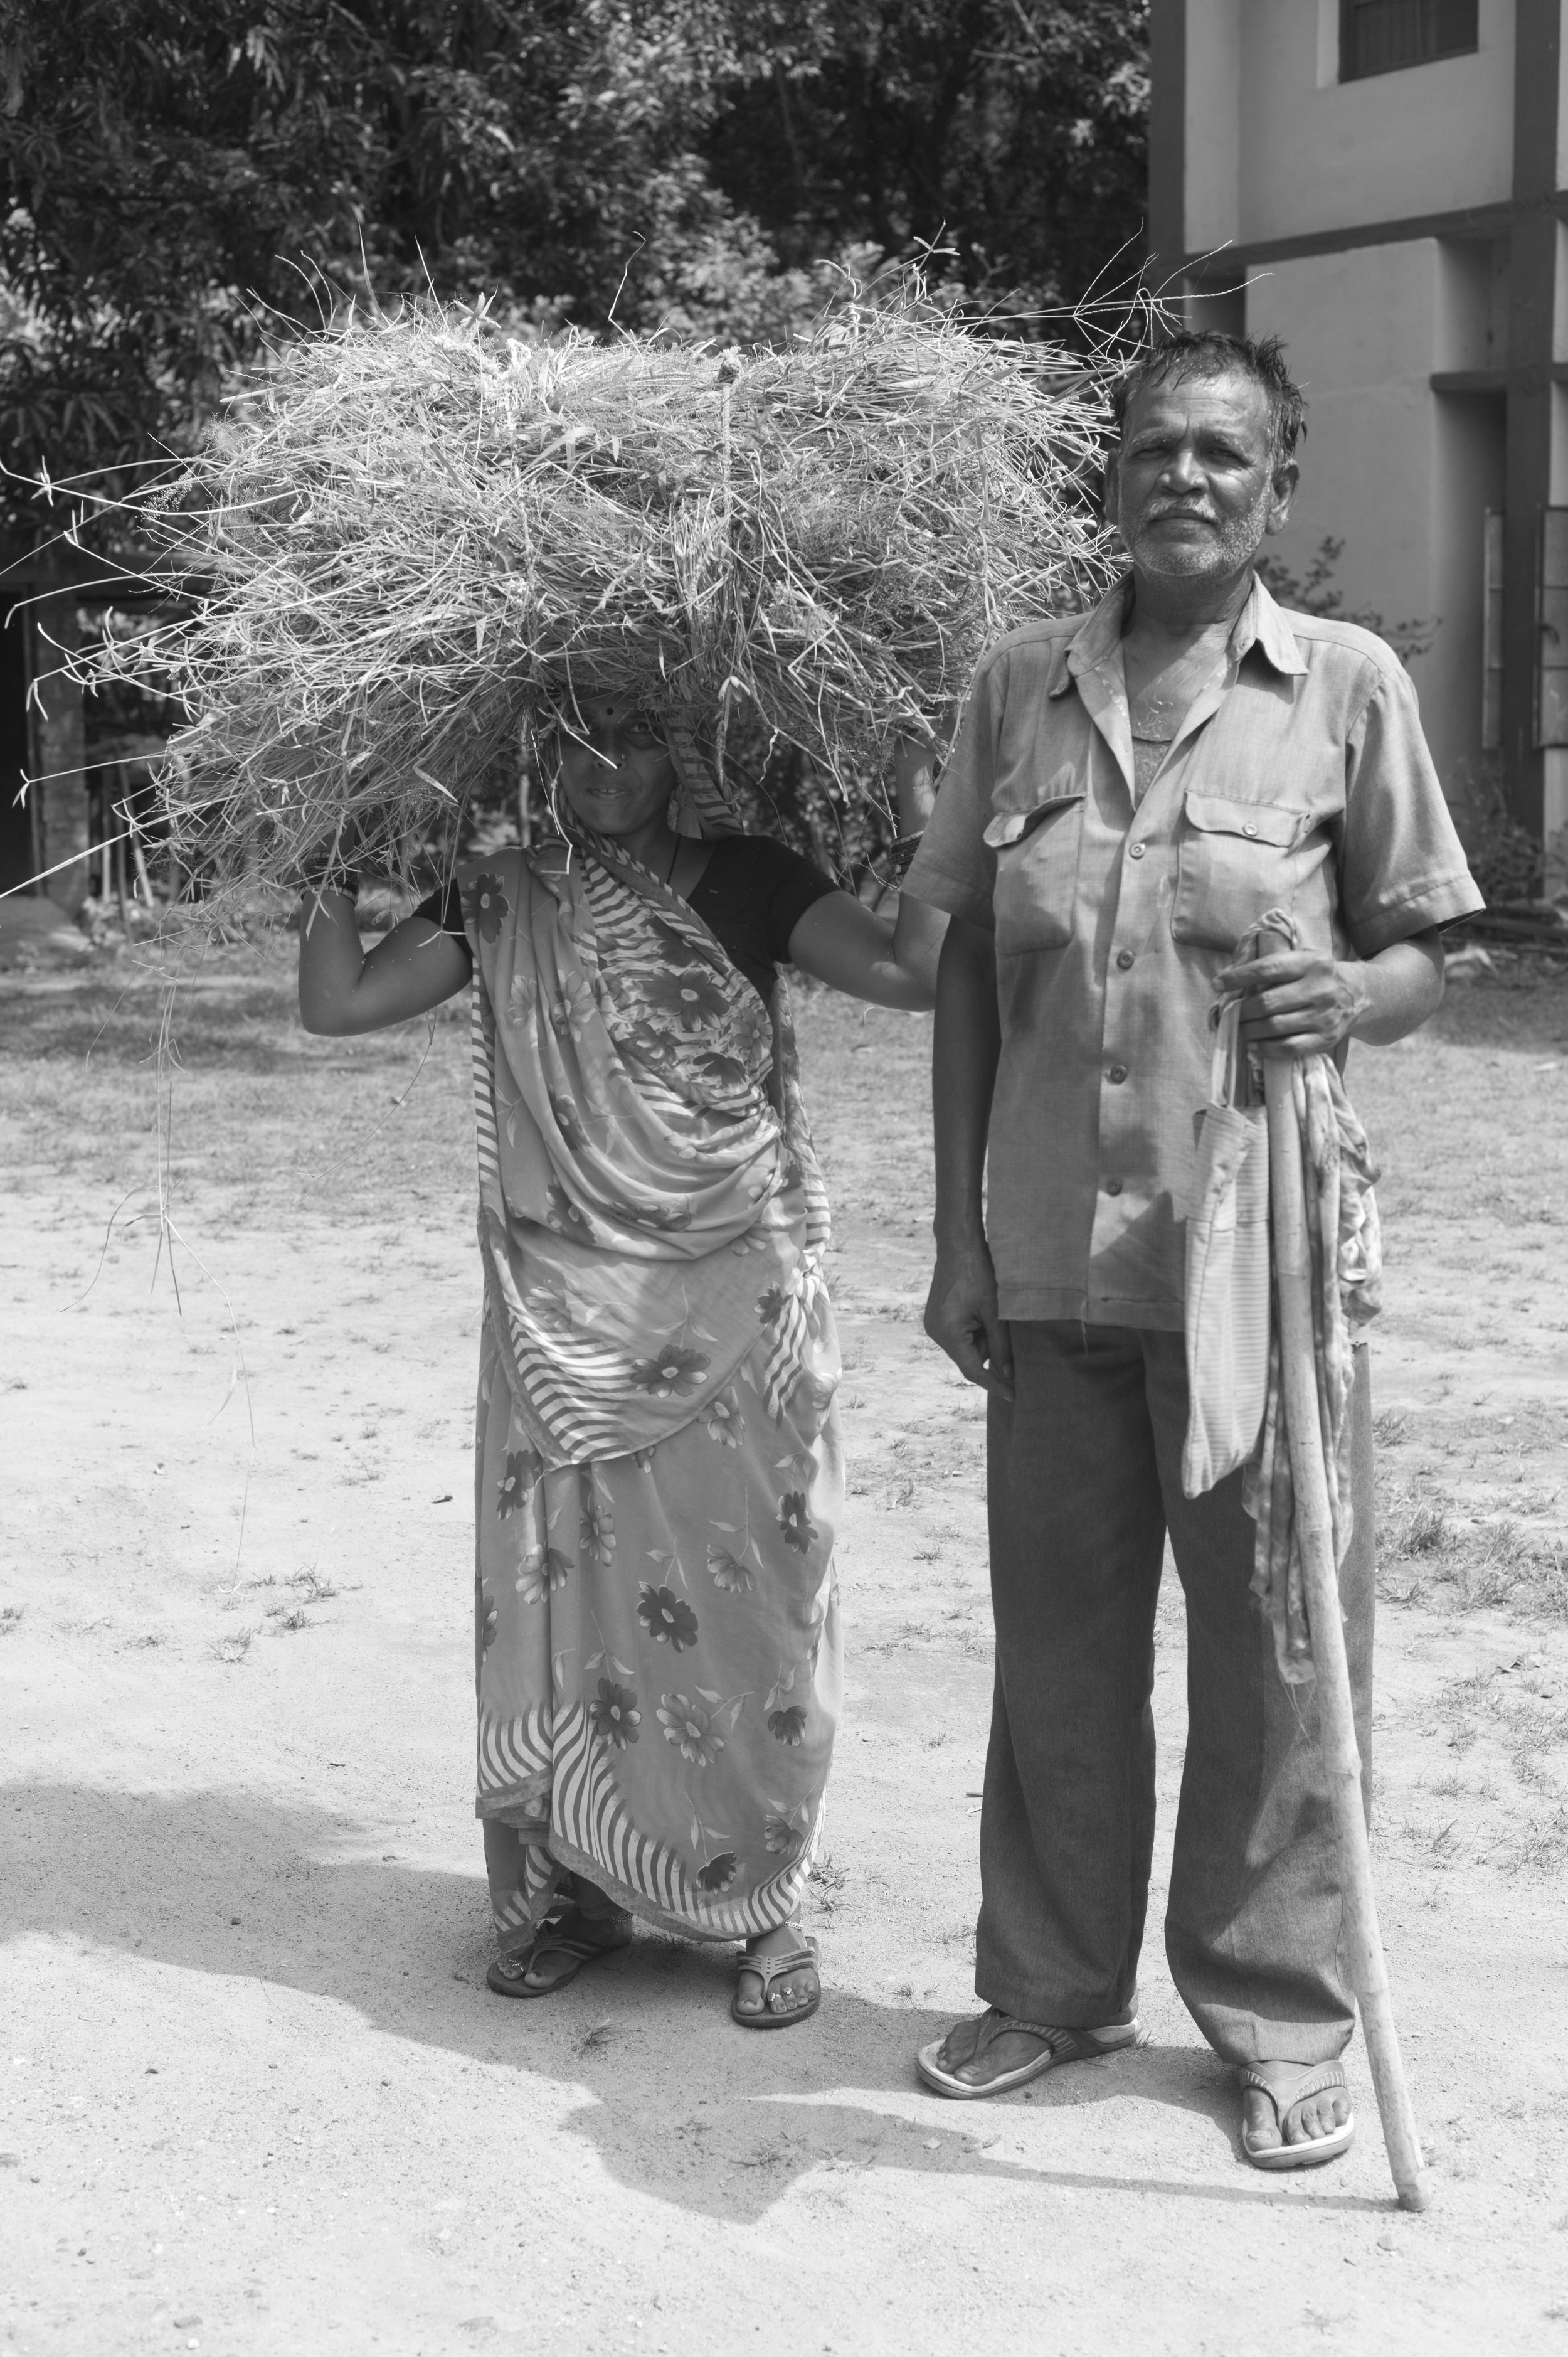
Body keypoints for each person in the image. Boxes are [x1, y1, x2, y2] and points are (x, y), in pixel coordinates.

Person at [901, 331, 1483, 2164]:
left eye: (1223, 455)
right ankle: (1049, 1990)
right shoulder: (1016, 686)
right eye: (1153, 447)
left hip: (1253, 1267)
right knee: (1058, 1648)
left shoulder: (1345, 688)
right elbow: (965, 987)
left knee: (1272, 1649)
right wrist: (956, 1236)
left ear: (1277, 486)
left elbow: (1422, 953)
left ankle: (1278, 2014)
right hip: (1049, 1261)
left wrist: (1352, 992)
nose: (1183, 478)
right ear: (1112, 474)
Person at [297, 701, 944, 2024]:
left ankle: (762, 1903)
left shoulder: (756, 879)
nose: (605, 772)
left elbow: (910, 972)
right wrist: (331, 837)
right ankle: (572, 1891)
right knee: (570, 1593)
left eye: (634, 740)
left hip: (738, 1307)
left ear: (683, 756)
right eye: (577, 745)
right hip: (563, 1318)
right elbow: (337, 1002)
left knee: (756, 1598)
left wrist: (925, 799)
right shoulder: (502, 894)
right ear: (543, 757)